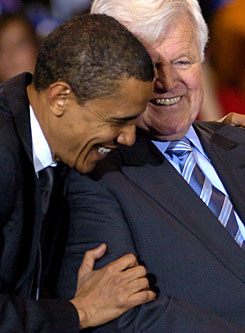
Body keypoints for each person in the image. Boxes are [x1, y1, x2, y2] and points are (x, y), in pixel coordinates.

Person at [55, 1, 245, 332]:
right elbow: (123, 318)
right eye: (149, 67)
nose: (168, 82)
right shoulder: (94, 177)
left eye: (182, 61)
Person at [0, 13, 156, 332]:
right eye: (118, 121)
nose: (128, 138)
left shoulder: (55, 143)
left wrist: (224, 138)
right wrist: (79, 311)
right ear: (60, 98)